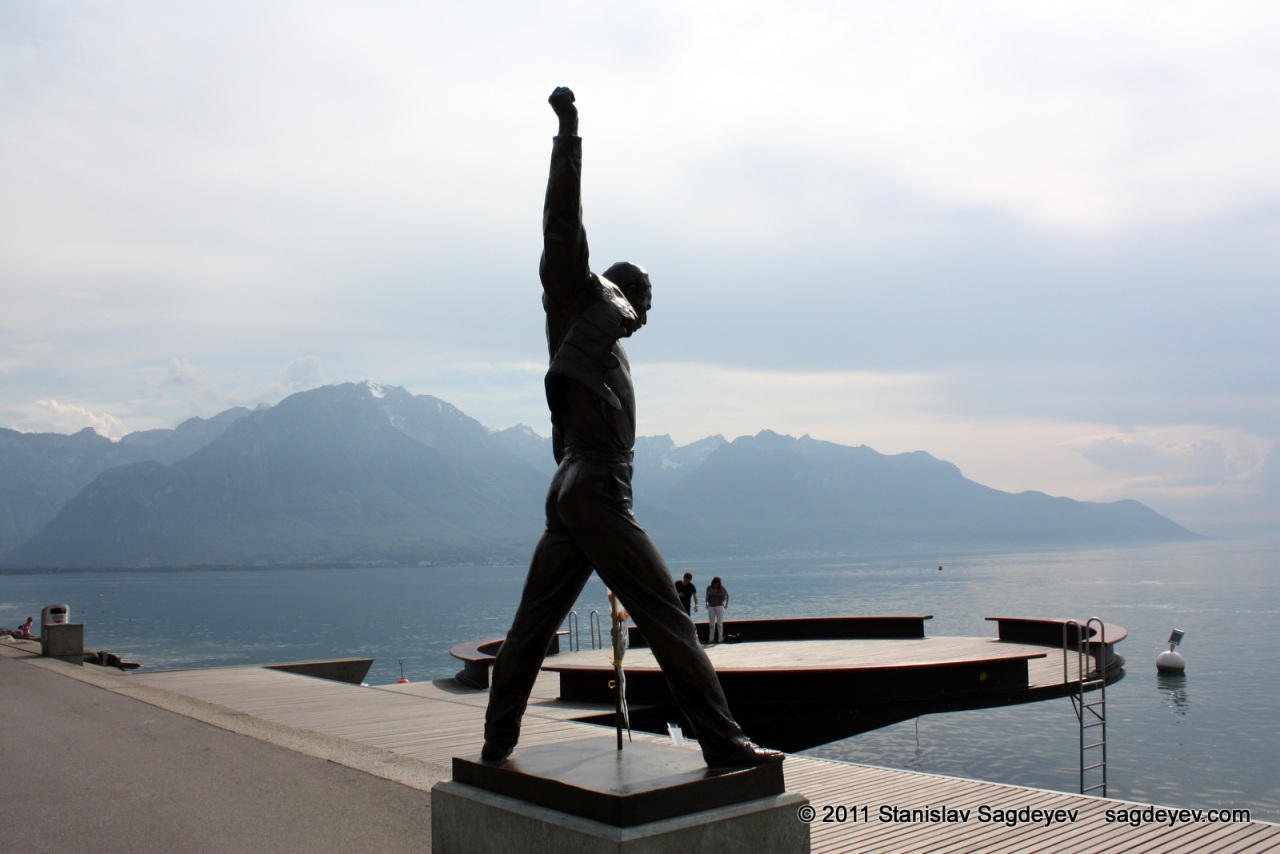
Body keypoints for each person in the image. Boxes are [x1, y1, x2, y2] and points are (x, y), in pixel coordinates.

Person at [481, 87, 781, 769]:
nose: (645, 307)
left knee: (532, 627)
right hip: (595, 492)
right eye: (641, 294)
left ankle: (497, 742)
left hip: (572, 492)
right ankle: (725, 743)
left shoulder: (607, 352)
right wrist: (570, 137)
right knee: (667, 617)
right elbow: (562, 228)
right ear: (617, 287)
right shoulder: (575, 306)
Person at [705, 577, 729, 643]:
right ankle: (711, 639)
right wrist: (707, 603)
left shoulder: (722, 588)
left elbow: (727, 595)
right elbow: (707, 597)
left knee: (719, 623)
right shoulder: (709, 588)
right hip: (711, 606)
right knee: (712, 624)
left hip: (720, 606)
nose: (716, 585)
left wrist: (726, 604)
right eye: (715, 583)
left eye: (717, 583)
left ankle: (720, 638)